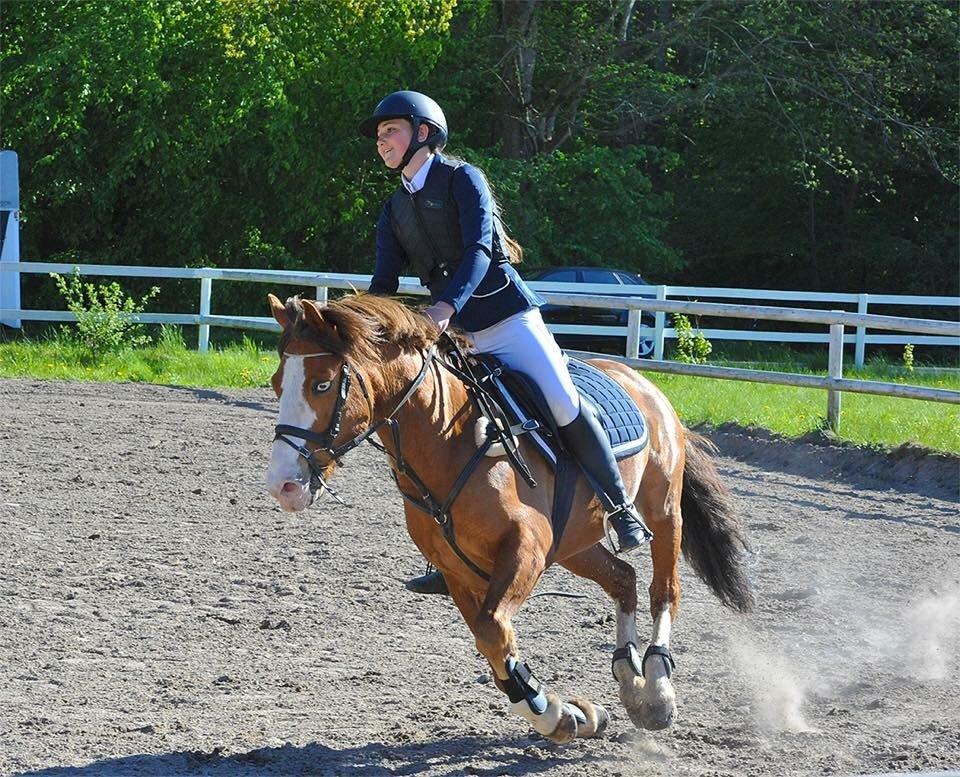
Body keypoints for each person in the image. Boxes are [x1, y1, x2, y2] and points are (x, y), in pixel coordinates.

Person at [360, 91, 653, 595]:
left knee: (562, 401)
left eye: (391, 131)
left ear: (423, 133)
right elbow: (384, 281)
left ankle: (620, 509)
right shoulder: (394, 208)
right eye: (380, 135)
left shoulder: (462, 180)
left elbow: (479, 251)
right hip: (456, 336)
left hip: (509, 321)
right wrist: (364, 326)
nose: (382, 141)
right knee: (443, 432)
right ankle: (450, 543)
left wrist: (443, 308)